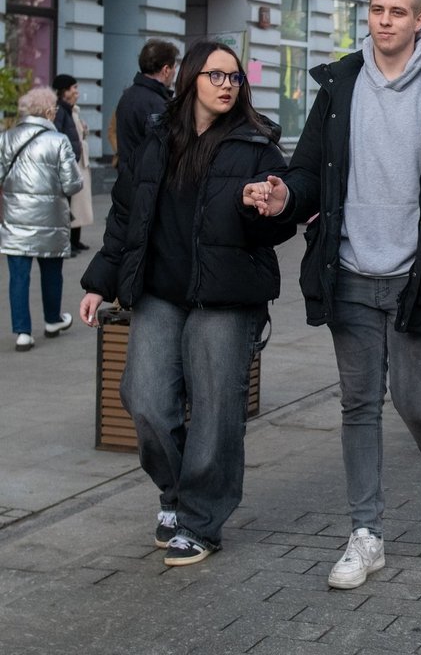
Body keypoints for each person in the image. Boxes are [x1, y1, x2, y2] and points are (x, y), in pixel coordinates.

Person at [242, 0, 421, 590]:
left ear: (420, 22)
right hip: (351, 272)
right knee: (359, 404)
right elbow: (307, 170)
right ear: (367, 16)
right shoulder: (340, 87)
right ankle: (366, 534)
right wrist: (284, 192)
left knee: (416, 399)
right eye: (377, 10)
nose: (385, 20)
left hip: (420, 274)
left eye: (398, 12)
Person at [78, 40, 296, 567]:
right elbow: (125, 218)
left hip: (225, 297)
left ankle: (200, 521)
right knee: (144, 399)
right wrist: (99, 281)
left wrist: (263, 206)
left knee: (217, 411)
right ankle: (175, 493)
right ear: (190, 79)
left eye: (235, 78)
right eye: (216, 76)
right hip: (160, 292)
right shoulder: (157, 140)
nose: (227, 85)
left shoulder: (257, 144)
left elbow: (283, 220)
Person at [1, 87, 83, 352]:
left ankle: (23, 333)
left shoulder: (6, 138)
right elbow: (72, 184)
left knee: (18, 276)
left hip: (15, 219)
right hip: (51, 219)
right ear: (49, 111)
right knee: (51, 273)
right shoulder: (58, 140)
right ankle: (52, 320)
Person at [115, 39, 180, 172]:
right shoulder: (155, 103)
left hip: (128, 179)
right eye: (174, 68)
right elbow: (163, 150)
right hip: (147, 184)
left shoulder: (127, 96)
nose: (174, 73)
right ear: (166, 70)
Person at [51, 74, 94, 255]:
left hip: (77, 162)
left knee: (76, 204)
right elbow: (58, 135)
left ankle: (74, 241)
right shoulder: (61, 111)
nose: (77, 91)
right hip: (70, 164)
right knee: (69, 206)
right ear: (65, 91)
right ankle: (67, 243)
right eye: (73, 88)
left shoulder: (70, 110)